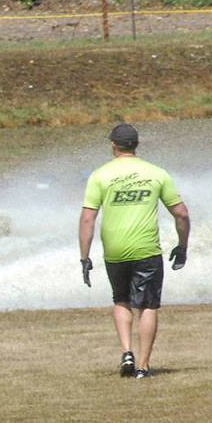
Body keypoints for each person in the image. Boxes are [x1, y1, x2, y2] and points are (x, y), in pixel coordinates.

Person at [78, 123, 190, 379]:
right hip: (146, 249)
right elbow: (181, 213)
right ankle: (143, 365)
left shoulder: (100, 175)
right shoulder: (156, 173)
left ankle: (126, 351)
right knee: (148, 305)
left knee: (121, 300)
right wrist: (182, 246)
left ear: (113, 145)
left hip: (114, 251)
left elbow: (87, 219)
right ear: (136, 145)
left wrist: (84, 258)